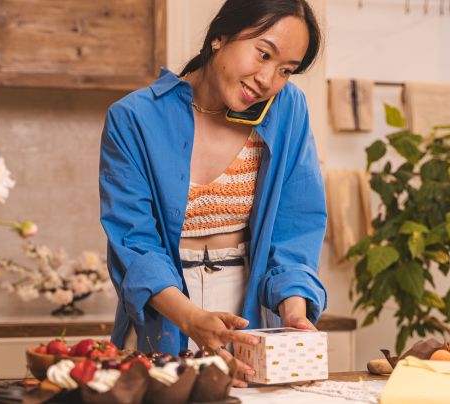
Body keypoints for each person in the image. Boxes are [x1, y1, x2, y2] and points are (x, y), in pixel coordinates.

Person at [99, 0, 327, 386]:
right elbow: (135, 242)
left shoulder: (288, 110)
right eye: (263, 53)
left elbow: (296, 227)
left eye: (286, 70)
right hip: (167, 308)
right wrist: (191, 319)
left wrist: (293, 311)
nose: (268, 79)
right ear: (220, 36)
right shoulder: (134, 117)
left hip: (249, 312)